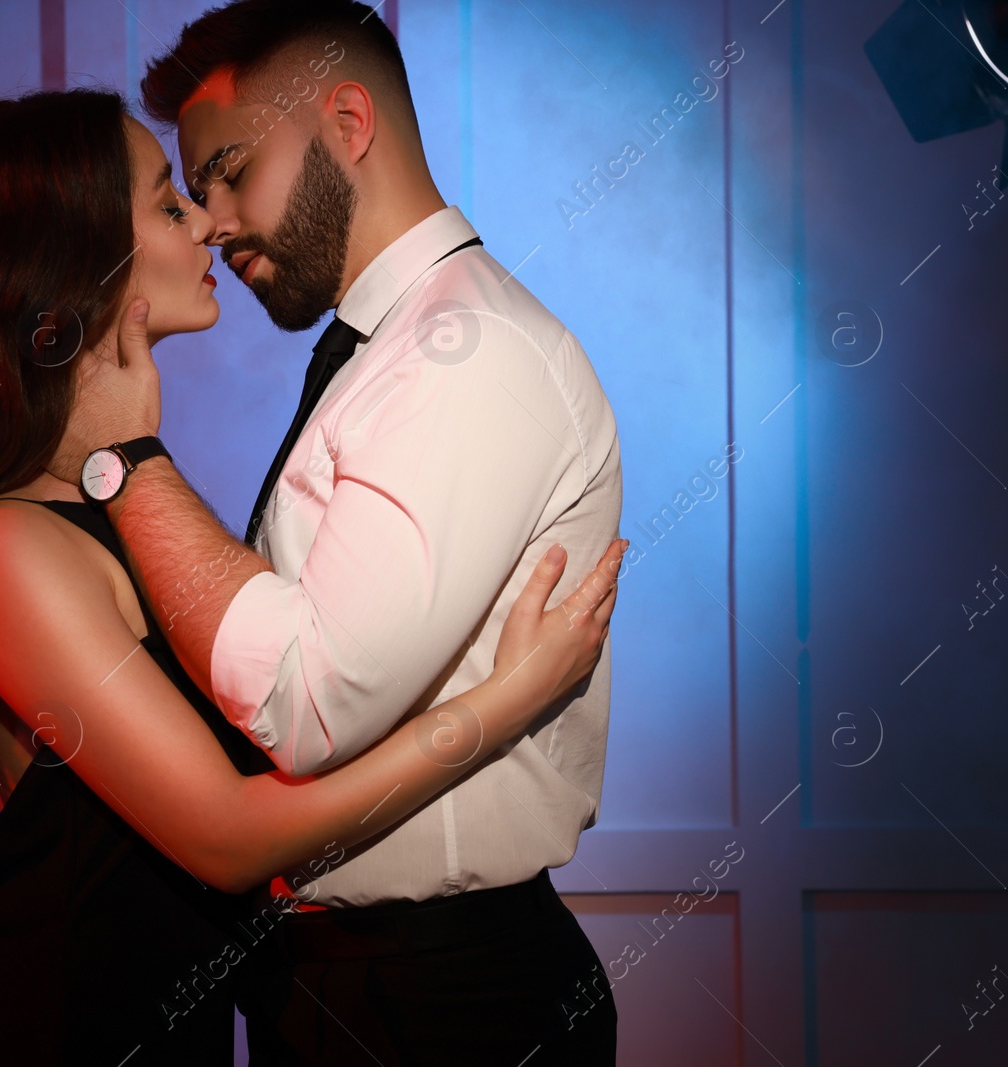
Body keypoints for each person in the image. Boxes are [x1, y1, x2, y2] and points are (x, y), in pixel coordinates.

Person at [0, 87, 625, 1066]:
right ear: (74, 256)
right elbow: (231, 837)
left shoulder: (115, 496)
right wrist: (505, 705)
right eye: (170, 203)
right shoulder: (13, 542)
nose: (208, 222)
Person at [47, 2, 626, 1063]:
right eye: (191, 191)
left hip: (441, 1002)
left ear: (347, 121)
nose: (212, 219)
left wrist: (123, 461)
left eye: (226, 171)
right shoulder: (393, 349)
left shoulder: (465, 353)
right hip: (361, 985)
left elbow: (304, 705)